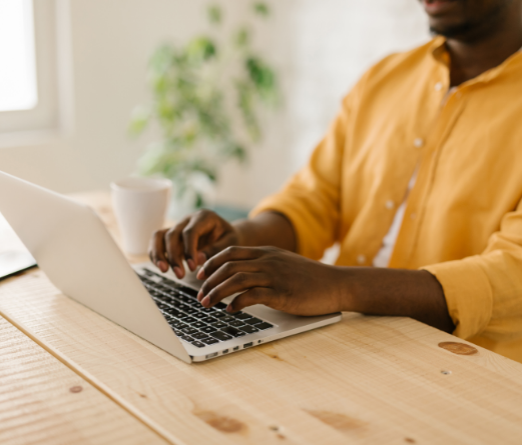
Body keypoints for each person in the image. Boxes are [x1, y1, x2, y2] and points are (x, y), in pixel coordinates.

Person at [149, 0, 522, 360]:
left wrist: (338, 286)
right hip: (341, 339)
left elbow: (511, 275)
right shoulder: (385, 78)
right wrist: (243, 240)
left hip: (466, 366)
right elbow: (316, 198)